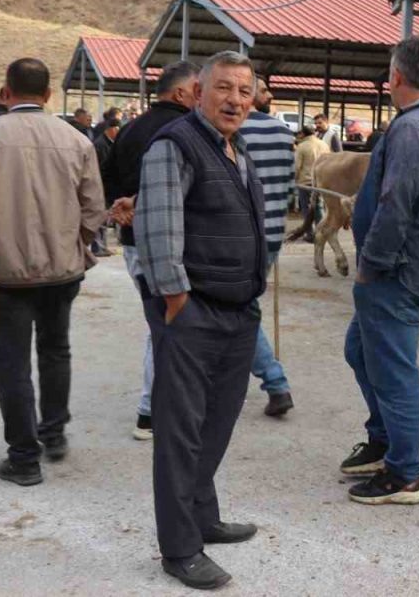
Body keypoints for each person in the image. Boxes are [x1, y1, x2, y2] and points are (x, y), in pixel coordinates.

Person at [134, 50, 265, 590]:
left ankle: (203, 515)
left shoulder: (236, 149)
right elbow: (159, 229)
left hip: (238, 311)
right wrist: (176, 300)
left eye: (244, 90)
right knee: (182, 432)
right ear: (198, 92)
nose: (235, 99)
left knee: (217, 423)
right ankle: (180, 548)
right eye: (223, 88)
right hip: (194, 312)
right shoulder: (175, 144)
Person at [339, 35, 419, 505]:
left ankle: (405, 472)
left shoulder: (411, 130)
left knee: (393, 369)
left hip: (393, 271)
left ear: (395, 77)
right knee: (360, 350)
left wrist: (371, 264)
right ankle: (384, 437)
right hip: (409, 265)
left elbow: (397, 204)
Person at [0, 58, 105, 487]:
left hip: (3, 273)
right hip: (62, 271)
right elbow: (94, 210)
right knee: (56, 349)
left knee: (10, 363)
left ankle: (23, 456)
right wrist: (74, 242)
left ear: (6, 91)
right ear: (49, 95)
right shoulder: (76, 140)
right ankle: (53, 433)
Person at [101, 60, 201, 442]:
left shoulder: (128, 130)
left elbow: (107, 177)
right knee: (168, 325)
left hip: (132, 244)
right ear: (181, 93)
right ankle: (150, 412)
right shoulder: (183, 130)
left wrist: (122, 208)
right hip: (169, 243)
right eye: (199, 89)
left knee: (162, 322)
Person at [237, 81, 296, 417]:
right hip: (272, 233)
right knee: (245, 304)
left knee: (240, 309)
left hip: (241, 235)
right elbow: (288, 190)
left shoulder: (232, 130)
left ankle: (276, 383)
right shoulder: (283, 132)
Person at [91, 117, 121, 257]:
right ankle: (98, 247)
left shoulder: (109, 143)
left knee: (104, 217)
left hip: (106, 186)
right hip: (100, 185)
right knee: (100, 217)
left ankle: (102, 246)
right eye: (117, 129)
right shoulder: (100, 145)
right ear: (111, 129)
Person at [293, 124, 329, 243]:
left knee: (306, 208)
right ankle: (322, 233)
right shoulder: (324, 144)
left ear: (303, 134)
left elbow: (297, 167)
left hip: (306, 182)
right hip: (322, 181)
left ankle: (310, 234)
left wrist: (295, 180)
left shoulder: (302, 146)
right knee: (319, 206)